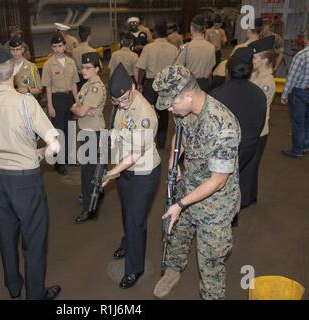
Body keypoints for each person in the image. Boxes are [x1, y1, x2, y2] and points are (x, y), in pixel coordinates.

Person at [0, 42, 62, 300]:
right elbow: (54, 143)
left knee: (6, 236)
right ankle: (35, 294)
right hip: (26, 183)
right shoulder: (26, 103)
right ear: (14, 71)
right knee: (33, 241)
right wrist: (42, 153)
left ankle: (13, 286)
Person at [152, 65, 241, 300]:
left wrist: (180, 204)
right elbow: (178, 137)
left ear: (188, 94)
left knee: (210, 261)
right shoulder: (185, 111)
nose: (169, 109)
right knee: (177, 236)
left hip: (215, 205)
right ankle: (172, 271)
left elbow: (218, 181)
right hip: (188, 187)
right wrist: (174, 162)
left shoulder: (223, 126)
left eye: (171, 103)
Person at [103, 63, 161, 289]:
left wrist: (110, 173)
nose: (121, 105)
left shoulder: (145, 114)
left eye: (125, 99)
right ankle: (128, 244)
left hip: (144, 172)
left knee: (136, 220)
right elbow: (118, 129)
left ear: (134, 87)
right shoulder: (121, 103)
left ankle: (134, 269)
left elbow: (136, 154)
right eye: (116, 102)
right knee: (126, 212)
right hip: (125, 169)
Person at [210, 47, 267, 211]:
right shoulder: (258, 95)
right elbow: (258, 126)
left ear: (227, 69)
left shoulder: (216, 95)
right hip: (246, 152)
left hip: (220, 156)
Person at [70, 52, 106, 223]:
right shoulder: (87, 84)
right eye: (83, 67)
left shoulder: (95, 87)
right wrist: (80, 108)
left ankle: (89, 208)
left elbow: (80, 110)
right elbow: (81, 107)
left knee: (88, 172)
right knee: (93, 169)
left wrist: (75, 109)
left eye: (88, 67)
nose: (84, 70)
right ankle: (95, 196)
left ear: (97, 68)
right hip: (88, 130)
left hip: (93, 132)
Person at [136, 18, 178, 149]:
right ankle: (161, 142)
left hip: (151, 84)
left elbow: (142, 68)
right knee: (164, 113)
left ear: (155, 32)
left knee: (148, 112)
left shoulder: (148, 48)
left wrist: (139, 83)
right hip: (166, 84)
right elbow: (176, 69)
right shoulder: (174, 49)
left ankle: (148, 142)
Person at [41, 32, 80, 175]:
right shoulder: (48, 65)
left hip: (69, 98)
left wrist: (77, 102)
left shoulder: (71, 62)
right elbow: (48, 88)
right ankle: (59, 163)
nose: (57, 49)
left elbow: (75, 84)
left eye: (60, 46)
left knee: (70, 129)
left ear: (64, 46)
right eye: (54, 46)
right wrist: (50, 106)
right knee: (58, 132)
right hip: (56, 99)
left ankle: (70, 158)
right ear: (52, 47)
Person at [248, 36, 276, 203]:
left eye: (255, 57)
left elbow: (258, 108)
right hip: (252, 126)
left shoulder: (266, 81)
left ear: (265, 59)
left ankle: (250, 197)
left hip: (258, 129)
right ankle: (251, 195)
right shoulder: (255, 74)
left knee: (251, 166)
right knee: (249, 165)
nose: (253, 60)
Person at [281, 29, 309, 159]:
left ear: (305, 39)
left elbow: (292, 76)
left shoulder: (302, 55)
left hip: (300, 92)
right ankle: (305, 145)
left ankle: (297, 150)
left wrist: (284, 94)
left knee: (298, 121)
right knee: (307, 120)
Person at [176, 14, 216, 93]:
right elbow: (211, 68)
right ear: (204, 29)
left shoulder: (186, 47)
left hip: (190, 85)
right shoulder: (211, 47)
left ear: (191, 28)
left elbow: (178, 68)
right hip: (205, 85)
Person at [72, 25, 97, 91]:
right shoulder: (92, 51)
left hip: (78, 78)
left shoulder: (74, 51)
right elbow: (97, 68)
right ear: (89, 37)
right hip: (89, 78)